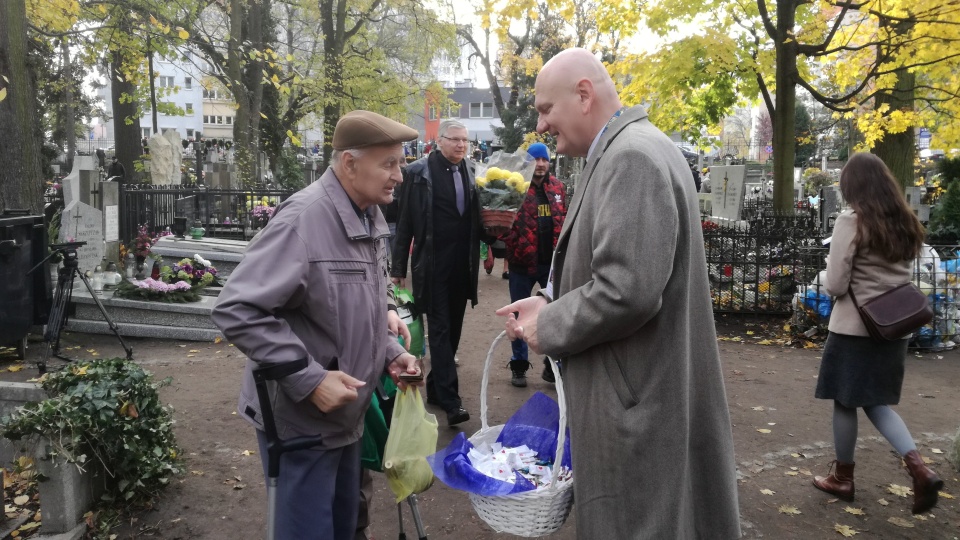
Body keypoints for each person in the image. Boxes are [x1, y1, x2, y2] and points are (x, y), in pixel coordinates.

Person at [495, 47, 741, 538]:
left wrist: (551, 324)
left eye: (546, 109)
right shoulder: (628, 149)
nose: (540, 126)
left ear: (583, 95)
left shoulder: (631, 157)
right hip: (642, 393)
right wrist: (549, 299)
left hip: (637, 407)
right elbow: (618, 266)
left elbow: (627, 289)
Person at [211, 110, 422, 540]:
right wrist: (309, 380)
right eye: (388, 163)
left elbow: (348, 309)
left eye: (399, 163)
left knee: (344, 527)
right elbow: (237, 308)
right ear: (349, 163)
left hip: (347, 418)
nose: (399, 176)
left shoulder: (369, 216)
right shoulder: (304, 220)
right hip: (301, 425)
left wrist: (390, 353)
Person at [812, 152, 943, 514]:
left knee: (844, 400)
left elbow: (837, 284)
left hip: (855, 328)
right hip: (896, 327)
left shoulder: (852, 221)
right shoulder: (904, 221)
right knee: (875, 402)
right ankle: (918, 467)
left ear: (851, 186)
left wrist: (826, 283)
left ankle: (842, 477)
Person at [391, 119, 485, 426]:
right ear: (439, 141)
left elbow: (476, 219)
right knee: (441, 330)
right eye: (454, 139)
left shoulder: (471, 171)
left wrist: (496, 235)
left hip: (463, 265)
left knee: (453, 330)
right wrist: (397, 268)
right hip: (432, 266)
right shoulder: (417, 173)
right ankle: (451, 400)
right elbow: (404, 224)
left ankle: (435, 388)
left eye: (464, 141)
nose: (460, 145)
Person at [500, 142, 566, 387]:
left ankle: (552, 365)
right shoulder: (515, 186)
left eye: (544, 160)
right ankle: (519, 365)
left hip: (551, 267)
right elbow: (501, 221)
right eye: (535, 160)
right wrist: (512, 243)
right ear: (529, 162)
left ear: (549, 162)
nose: (540, 164)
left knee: (554, 316)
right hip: (521, 264)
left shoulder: (559, 188)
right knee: (518, 316)